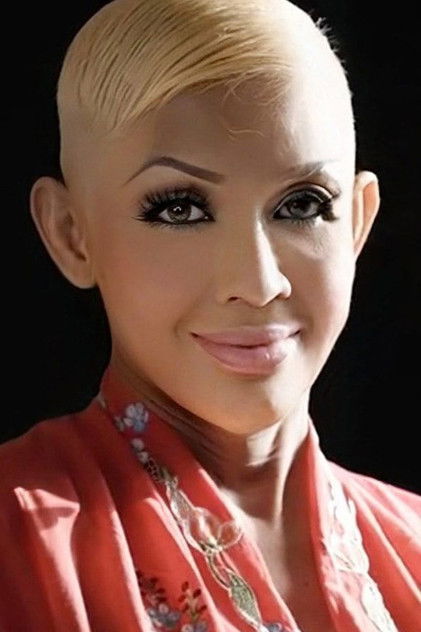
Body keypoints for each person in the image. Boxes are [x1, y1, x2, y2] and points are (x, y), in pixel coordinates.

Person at [1, 0, 420, 630]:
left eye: (302, 205)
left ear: (358, 222)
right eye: (180, 209)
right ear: (71, 234)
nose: (258, 284)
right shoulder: (17, 539)